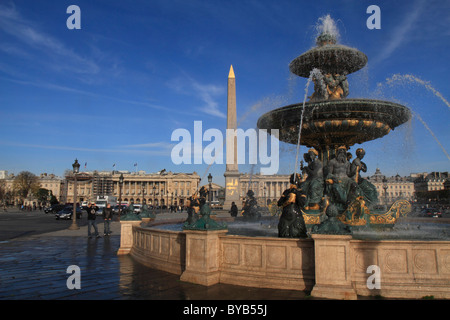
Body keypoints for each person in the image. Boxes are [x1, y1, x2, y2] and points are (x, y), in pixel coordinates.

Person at [277, 173, 308, 238]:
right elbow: (279, 203)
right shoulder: (286, 191)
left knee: (297, 234)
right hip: (285, 217)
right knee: (283, 235)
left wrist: (296, 193)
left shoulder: (301, 192)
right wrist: (287, 198)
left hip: (296, 217)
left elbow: (302, 204)